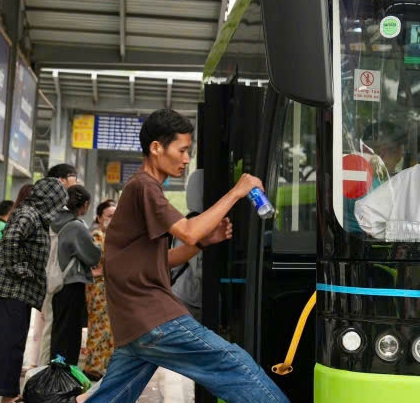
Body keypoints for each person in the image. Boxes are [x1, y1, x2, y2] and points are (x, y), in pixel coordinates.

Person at [84, 108, 288, 403]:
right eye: (181, 150)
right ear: (157, 148)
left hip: (134, 325)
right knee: (233, 364)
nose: (186, 158)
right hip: (153, 317)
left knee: (111, 398)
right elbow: (189, 231)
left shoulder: (143, 190)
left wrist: (203, 243)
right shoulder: (144, 187)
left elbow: (162, 260)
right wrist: (236, 192)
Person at [0, 176, 68, 403]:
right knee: (8, 343)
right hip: (10, 288)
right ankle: (7, 395)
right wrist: (21, 269)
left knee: (14, 343)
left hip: (16, 290)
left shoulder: (35, 215)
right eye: (58, 203)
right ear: (50, 200)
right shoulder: (29, 214)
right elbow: (11, 240)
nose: (59, 209)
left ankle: (10, 393)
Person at [33, 164, 82, 368]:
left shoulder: (48, 209)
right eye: (73, 178)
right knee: (51, 325)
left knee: (49, 324)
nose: (76, 183)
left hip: (48, 274)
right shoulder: (56, 212)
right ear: (61, 180)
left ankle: (44, 369)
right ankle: (45, 372)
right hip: (52, 276)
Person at [50, 185, 102, 366]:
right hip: (72, 284)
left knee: (59, 330)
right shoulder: (77, 226)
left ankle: (56, 367)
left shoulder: (54, 221)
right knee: (71, 333)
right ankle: (65, 371)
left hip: (57, 282)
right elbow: (93, 255)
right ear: (85, 204)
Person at [79, 199, 117, 379]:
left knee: (110, 328)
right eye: (109, 215)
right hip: (98, 289)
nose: (113, 219)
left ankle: (105, 366)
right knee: (98, 327)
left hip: (111, 288)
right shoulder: (96, 236)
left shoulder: (114, 236)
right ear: (99, 217)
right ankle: (94, 367)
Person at [169, 172, 204, 320]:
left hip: (185, 295)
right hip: (187, 298)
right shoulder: (197, 223)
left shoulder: (189, 220)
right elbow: (199, 271)